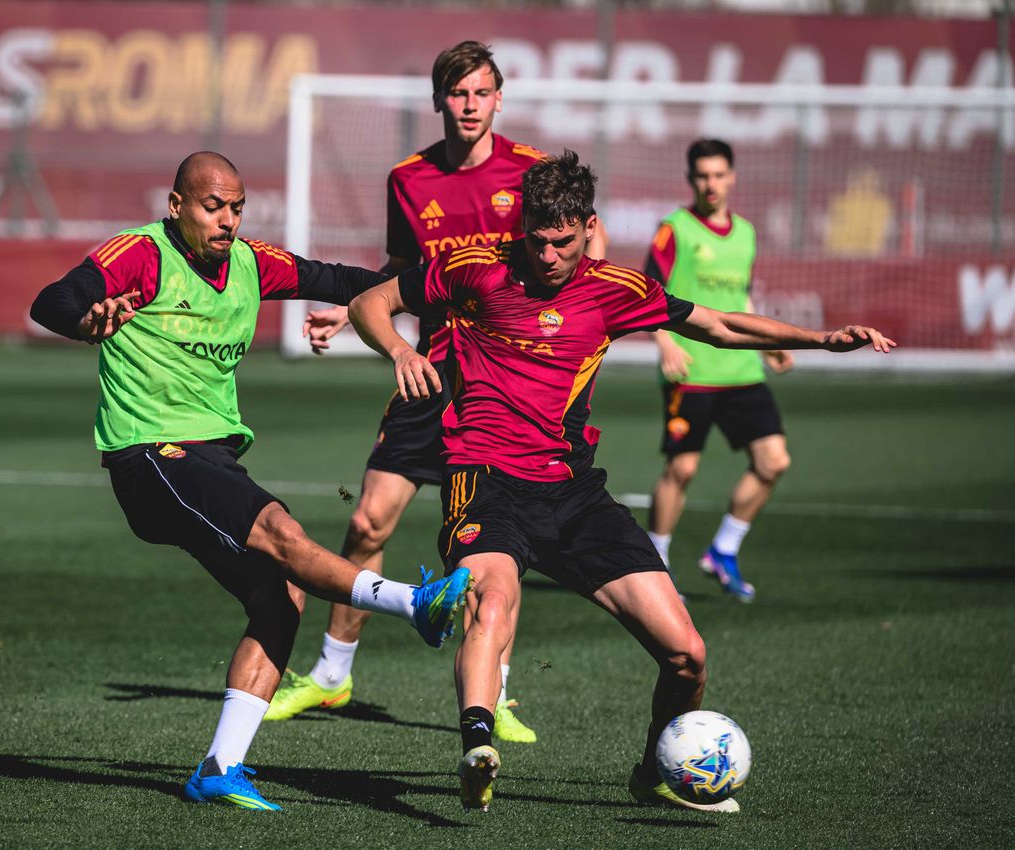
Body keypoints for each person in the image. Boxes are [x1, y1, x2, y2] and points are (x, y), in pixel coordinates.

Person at [347, 150, 894, 813]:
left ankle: (655, 774)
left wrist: (821, 339)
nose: (547, 256)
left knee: (687, 654)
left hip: (575, 492)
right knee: (492, 599)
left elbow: (716, 327)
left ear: (589, 228)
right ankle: (477, 744)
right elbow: (371, 302)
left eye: (563, 243)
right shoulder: (476, 269)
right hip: (485, 478)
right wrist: (401, 349)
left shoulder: (615, 289)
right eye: (538, 241)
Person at [29, 151, 472, 812]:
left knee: (280, 597)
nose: (228, 220)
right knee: (279, 529)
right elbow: (53, 300)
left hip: (210, 459)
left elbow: (337, 276)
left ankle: (219, 767)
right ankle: (413, 604)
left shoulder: (251, 262)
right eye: (213, 206)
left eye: (237, 207)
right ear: (176, 204)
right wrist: (83, 320)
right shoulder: (141, 255)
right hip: (149, 455)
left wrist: (431, 290)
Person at [272, 40, 606, 744]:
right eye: (458, 94)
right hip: (431, 371)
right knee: (367, 521)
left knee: (502, 544)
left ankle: (500, 695)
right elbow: (400, 269)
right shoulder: (408, 178)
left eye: (482, 93)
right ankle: (332, 676)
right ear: (438, 101)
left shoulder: (535, 173)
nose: (470, 106)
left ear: (499, 98)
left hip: (510, 383)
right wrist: (352, 307)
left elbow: (583, 255)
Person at [644, 139, 790, 602]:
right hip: (692, 369)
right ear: (691, 179)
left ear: (732, 177)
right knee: (682, 470)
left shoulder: (745, 233)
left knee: (774, 462)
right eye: (702, 175)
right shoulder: (675, 230)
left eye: (718, 174)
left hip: (742, 368)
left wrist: (770, 345)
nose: (711, 183)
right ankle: (656, 566)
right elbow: (647, 291)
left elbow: (741, 298)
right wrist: (664, 340)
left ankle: (723, 549)